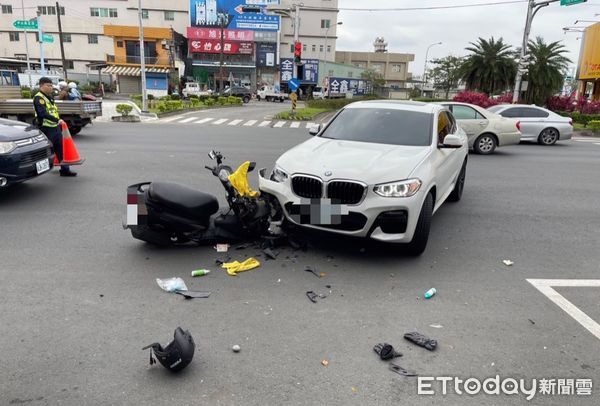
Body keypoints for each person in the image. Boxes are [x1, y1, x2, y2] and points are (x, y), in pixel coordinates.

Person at [33, 77, 77, 177]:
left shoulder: (49, 97)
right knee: (47, 151)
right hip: (46, 128)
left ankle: (65, 170)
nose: (50, 87)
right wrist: (57, 120)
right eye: (48, 85)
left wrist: (58, 120)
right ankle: (38, 169)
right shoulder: (38, 98)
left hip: (55, 127)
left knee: (60, 149)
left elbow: (54, 111)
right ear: (41, 86)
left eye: (51, 85)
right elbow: (42, 113)